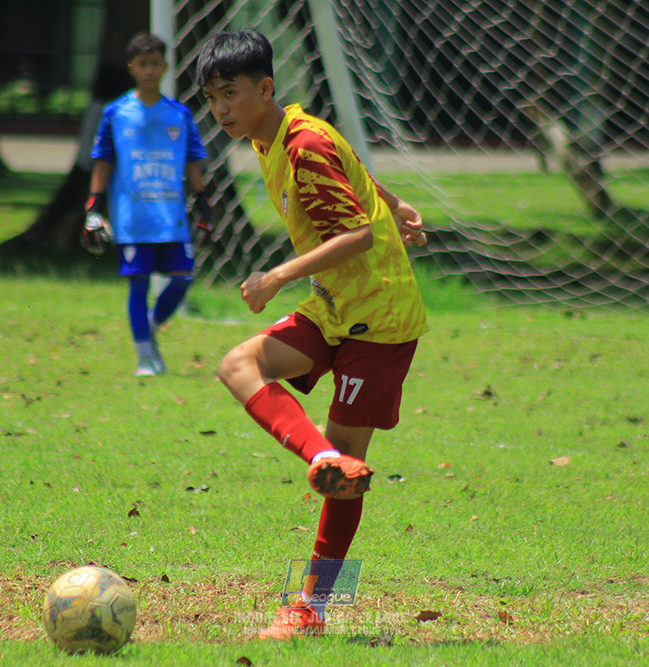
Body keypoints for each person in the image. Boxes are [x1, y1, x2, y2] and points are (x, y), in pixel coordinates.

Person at [195, 29, 429, 640]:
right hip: (333, 305)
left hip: (379, 318)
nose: (220, 109)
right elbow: (356, 182)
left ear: (265, 88)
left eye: (230, 93)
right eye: (211, 97)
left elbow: (356, 236)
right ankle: (321, 457)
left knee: (349, 470)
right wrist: (394, 201)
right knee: (238, 365)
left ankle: (313, 609)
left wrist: (276, 275)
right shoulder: (279, 136)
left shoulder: (302, 144)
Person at [84, 33, 212, 377]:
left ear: (166, 66)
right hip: (132, 220)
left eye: (156, 63)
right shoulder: (115, 113)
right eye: (143, 64)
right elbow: (103, 160)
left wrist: (204, 206)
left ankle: (149, 329)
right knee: (138, 284)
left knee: (183, 278)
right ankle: (144, 359)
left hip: (170, 217)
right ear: (132, 67)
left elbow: (193, 162)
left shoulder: (179, 115)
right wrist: (93, 208)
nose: (150, 70)